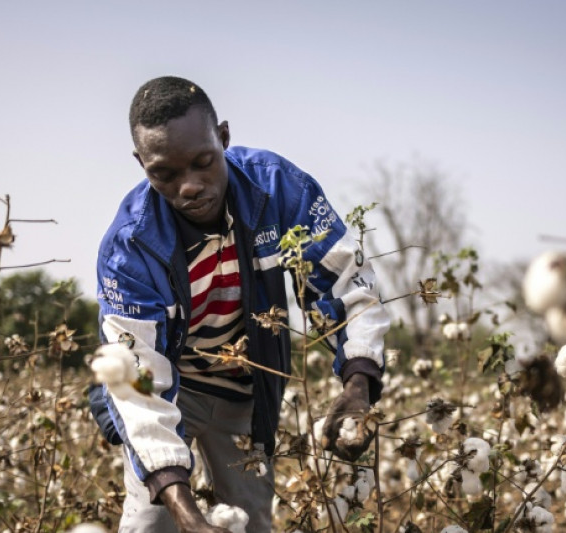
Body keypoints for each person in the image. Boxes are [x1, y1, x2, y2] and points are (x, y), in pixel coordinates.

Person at [88, 76, 391, 532]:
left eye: (203, 163)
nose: (189, 186)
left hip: (244, 395)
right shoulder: (130, 247)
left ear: (223, 137)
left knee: (250, 522)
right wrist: (187, 514)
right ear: (142, 164)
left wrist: (359, 384)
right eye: (164, 174)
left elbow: (347, 282)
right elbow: (138, 384)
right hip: (172, 391)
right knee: (151, 522)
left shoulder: (277, 189)